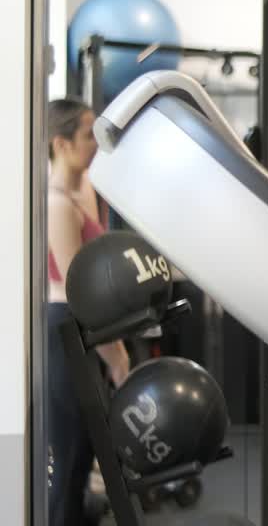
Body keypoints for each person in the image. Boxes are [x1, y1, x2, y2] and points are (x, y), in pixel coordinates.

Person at [46, 98, 130, 525]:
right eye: (85, 136)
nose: (93, 144)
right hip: (66, 331)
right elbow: (80, 292)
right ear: (60, 144)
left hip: (81, 333)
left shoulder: (82, 190)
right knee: (70, 458)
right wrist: (115, 356)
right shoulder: (57, 204)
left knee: (80, 457)